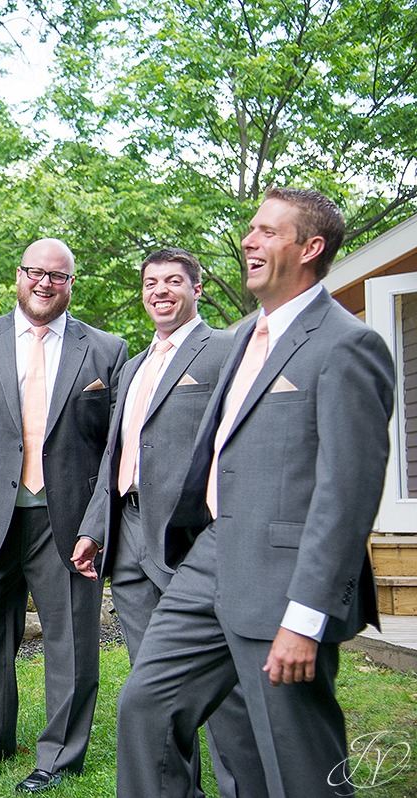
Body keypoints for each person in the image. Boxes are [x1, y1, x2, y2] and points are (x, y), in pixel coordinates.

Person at [116, 188, 395, 797]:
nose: (249, 240)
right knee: (146, 708)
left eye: (268, 232)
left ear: (310, 247)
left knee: (297, 761)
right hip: (211, 557)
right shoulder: (240, 337)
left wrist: (306, 615)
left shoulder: (347, 345)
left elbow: (346, 495)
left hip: (285, 578)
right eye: (250, 230)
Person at [0, 238, 127, 794]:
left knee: (70, 641)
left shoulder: (107, 350)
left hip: (65, 521)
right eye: (35, 273)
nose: (45, 283)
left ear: (72, 283)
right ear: (18, 276)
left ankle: (59, 756)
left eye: (58, 276)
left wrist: (96, 522)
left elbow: (114, 446)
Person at [71, 248, 264, 796]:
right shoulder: (131, 367)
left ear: (196, 290)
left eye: (174, 281)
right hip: (127, 538)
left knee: (218, 686)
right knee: (152, 681)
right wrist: (94, 528)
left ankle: (243, 788)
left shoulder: (225, 349)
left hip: (190, 539)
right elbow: (118, 453)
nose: (161, 290)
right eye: (152, 282)